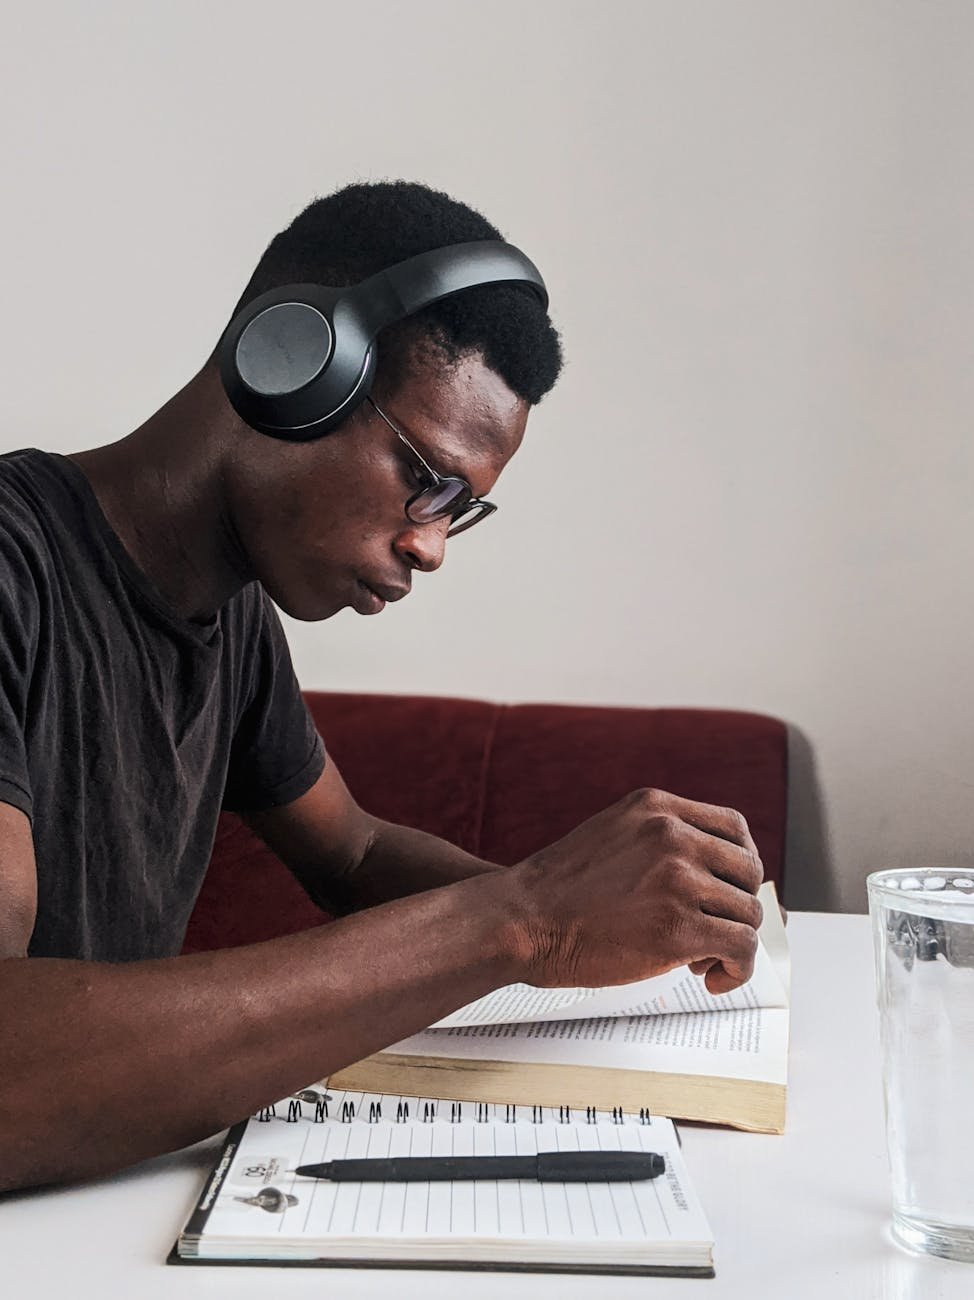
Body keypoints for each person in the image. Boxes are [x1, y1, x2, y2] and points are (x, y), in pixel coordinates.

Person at [0, 181, 763, 1194]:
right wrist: (524, 917)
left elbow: (352, 852)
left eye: (462, 512)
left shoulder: (230, 617)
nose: (431, 546)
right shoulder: (16, 567)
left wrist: (604, 926)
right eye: (428, 480)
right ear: (289, 362)